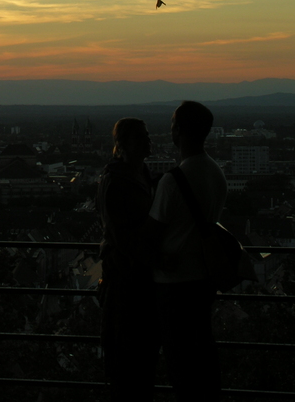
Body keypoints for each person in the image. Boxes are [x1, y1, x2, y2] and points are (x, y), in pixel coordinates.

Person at [148, 101, 228, 402]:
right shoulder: (215, 173)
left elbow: (151, 233)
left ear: (179, 131)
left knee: (179, 364)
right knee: (202, 357)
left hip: (173, 283)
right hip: (204, 279)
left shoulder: (173, 181)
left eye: (173, 124)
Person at [97, 117, 158, 401]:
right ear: (121, 146)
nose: (147, 142)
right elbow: (124, 239)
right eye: (140, 138)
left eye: (147, 136)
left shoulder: (140, 172)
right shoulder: (117, 182)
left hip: (139, 279)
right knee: (128, 362)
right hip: (127, 282)